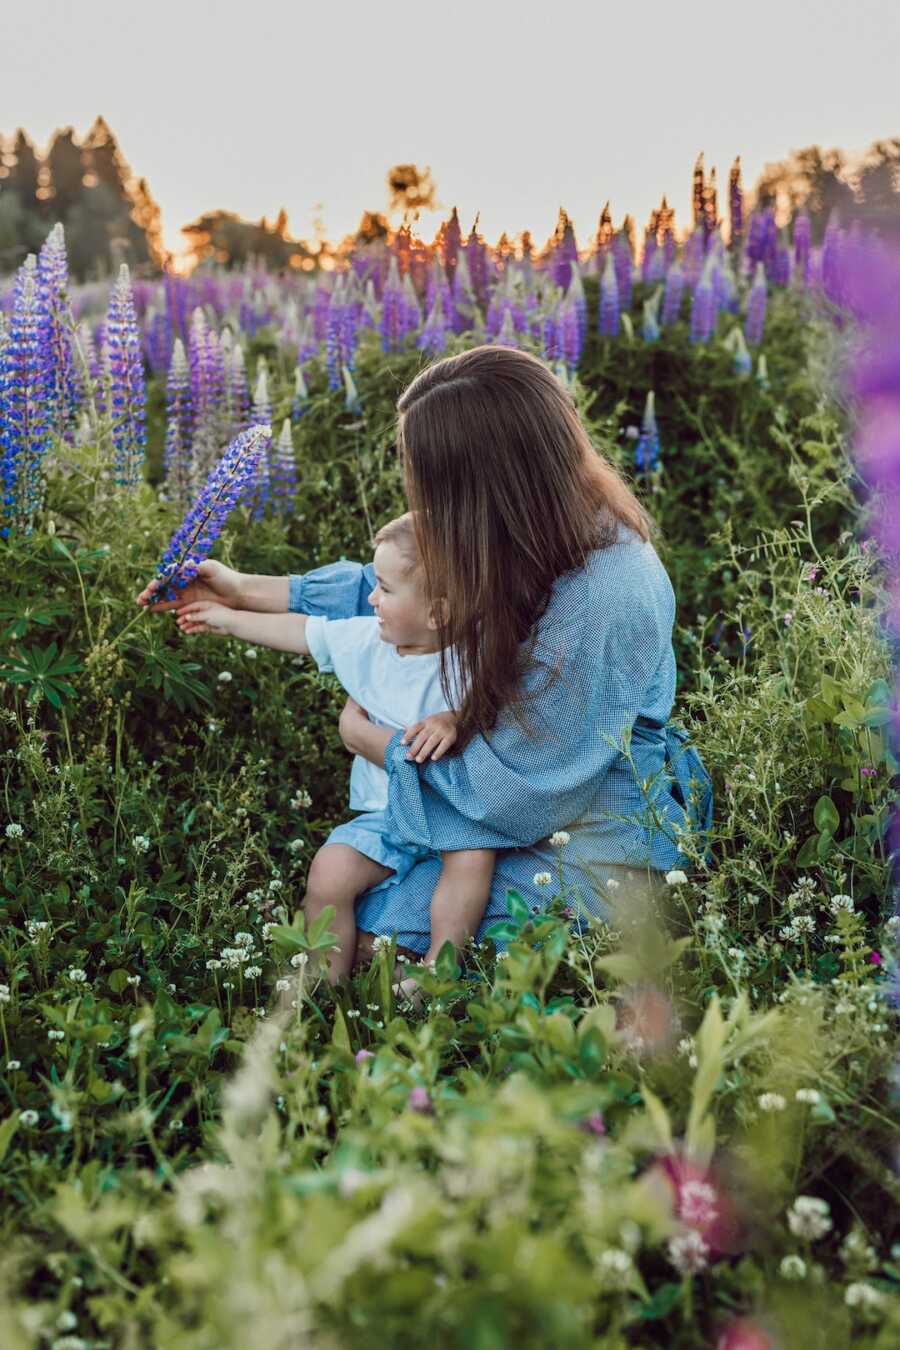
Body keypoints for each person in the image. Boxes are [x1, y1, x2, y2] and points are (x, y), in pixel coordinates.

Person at [138, 345, 713, 968]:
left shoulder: (601, 594)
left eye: (434, 488)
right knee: (351, 905)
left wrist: (376, 744)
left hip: (593, 825)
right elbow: (411, 584)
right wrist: (245, 589)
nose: (426, 508)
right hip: (514, 796)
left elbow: (519, 796)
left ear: (487, 487)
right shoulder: (539, 527)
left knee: (378, 936)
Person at [165, 511, 495, 986]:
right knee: (329, 872)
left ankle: (437, 971)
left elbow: (504, 703)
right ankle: (322, 986)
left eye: (384, 588)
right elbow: (303, 633)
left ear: (437, 613)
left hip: (452, 810)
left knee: (472, 860)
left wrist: (456, 718)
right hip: (386, 815)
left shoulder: (474, 656)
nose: (370, 597)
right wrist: (226, 618)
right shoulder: (367, 642)